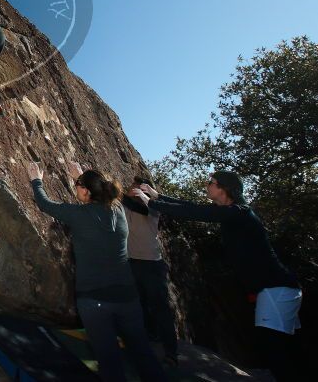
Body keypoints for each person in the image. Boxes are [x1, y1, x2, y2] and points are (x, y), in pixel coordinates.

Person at [131, 172, 302, 381]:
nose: (207, 185)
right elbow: (192, 207)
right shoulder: (230, 212)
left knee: (275, 346)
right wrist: (157, 196)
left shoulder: (239, 213)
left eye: (211, 183)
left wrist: (150, 202)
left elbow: (194, 213)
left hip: (276, 289)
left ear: (223, 188)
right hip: (274, 289)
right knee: (277, 346)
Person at [27, 161, 167, 382]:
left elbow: (46, 204)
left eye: (78, 185)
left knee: (109, 359)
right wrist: (82, 175)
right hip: (127, 297)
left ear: (85, 190)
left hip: (93, 300)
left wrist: (36, 180)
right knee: (143, 354)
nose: (76, 188)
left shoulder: (78, 215)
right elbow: (99, 193)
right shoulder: (119, 209)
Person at [121, 177, 179, 366]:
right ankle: (148, 336)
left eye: (140, 188)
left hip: (152, 265)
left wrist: (140, 195)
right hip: (132, 262)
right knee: (139, 304)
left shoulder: (152, 208)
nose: (134, 190)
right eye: (133, 187)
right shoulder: (125, 205)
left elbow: (145, 208)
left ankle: (171, 352)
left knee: (160, 307)